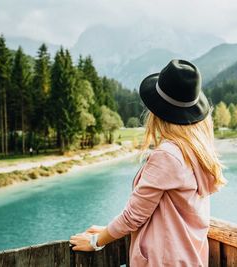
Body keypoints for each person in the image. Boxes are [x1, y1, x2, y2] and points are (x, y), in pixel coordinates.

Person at [69, 59, 227, 266]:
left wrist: (95, 241)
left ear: (158, 111)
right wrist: (109, 230)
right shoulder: (196, 150)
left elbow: (134, 216)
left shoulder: (168, 155)